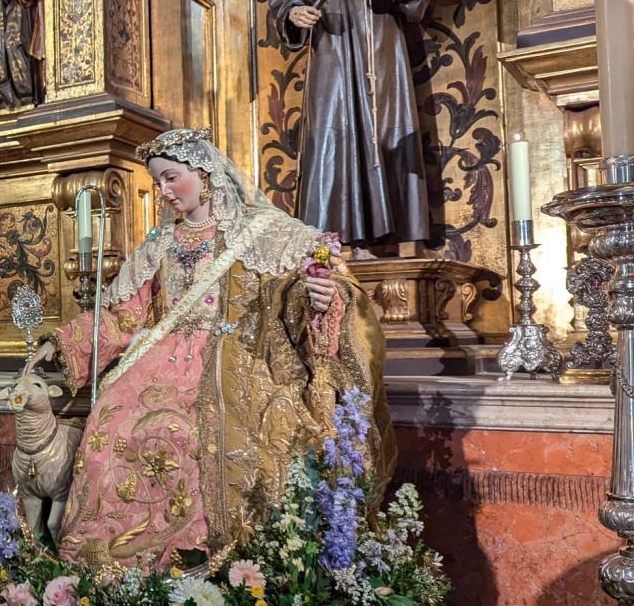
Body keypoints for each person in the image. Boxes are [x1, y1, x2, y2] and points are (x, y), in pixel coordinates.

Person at [24, 128, 391, 568]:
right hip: (159, 362)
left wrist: (319, 298)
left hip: (236, 357)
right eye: (158, 182)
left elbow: (288, 295)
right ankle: (117, 564)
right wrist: (64, 344)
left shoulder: (261, 235)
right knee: (115, 418)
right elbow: (124, 315)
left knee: (216, 432)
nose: (165, 191)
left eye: (171, 178)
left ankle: (209, 557)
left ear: (204, 172)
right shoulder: (161, 244)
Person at [268, 0, 437, 252]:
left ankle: (394, 238)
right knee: (331, 134)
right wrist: (294, 12)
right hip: (330, 43)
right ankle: (330, 242)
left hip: (378, 36)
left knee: (385, 126)